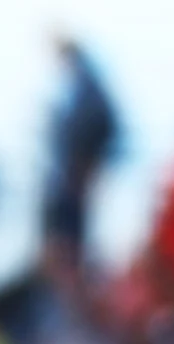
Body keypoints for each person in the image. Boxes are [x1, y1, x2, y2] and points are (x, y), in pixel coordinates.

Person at [42, 36, 123, 263]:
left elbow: (101, 125)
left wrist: (88, 163)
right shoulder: (77, 86)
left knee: (71, 237)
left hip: (74, 174)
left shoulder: (86, 87)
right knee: (66, 232)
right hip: (67, 174)